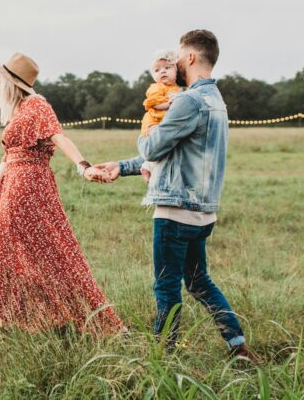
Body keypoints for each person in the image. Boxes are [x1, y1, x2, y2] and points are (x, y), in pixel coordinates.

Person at [93, 30, 255, 359]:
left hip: (175, 211)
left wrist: (147, 131)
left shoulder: (188, 100)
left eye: (179, 56)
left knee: (166, 286)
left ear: (191, 58)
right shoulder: (216, 101)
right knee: (198, 282)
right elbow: (174, 154)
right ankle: (237, 347)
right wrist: (122, 167)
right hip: (203, 212)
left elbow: (153, 146)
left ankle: (164, 357)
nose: (176, 63)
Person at [0, 52, 124, 333]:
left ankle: (68, 318)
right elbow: (6, 161)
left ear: (11, 82)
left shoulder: (37, 105)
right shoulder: (18, 112)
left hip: (29, 188)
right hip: (13, 187)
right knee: (12, 254)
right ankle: (17, 321)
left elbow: (59, 136)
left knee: (51, 253)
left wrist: (83, 166)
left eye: (0, 78)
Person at [140, 50, 182, 183]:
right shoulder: (156, 87)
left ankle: (148, 166)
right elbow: (155, 103)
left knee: (165, 147)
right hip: (154, 120)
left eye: (167, 68)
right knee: (157, 142)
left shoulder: (177, 88)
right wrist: (169, 104)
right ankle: (149, 168)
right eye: (157, 70)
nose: (162, 71)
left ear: (176, 71)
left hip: (164, 121)